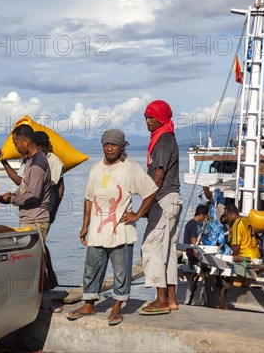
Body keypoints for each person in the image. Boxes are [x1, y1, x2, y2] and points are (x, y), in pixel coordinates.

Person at [66, 129, 158, 326]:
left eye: (114, 145)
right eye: (106, 144)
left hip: (121, 231)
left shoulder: (131, 168)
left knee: (121, 271)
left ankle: (117, 306)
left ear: (122, 146)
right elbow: (89, 198)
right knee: (91, 269)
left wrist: (138, 214)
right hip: (97, 231)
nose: (109, 148)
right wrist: (85, 225)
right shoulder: (95, 168)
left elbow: (150, 191)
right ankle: (89, 303)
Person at [139, 100, 183, 315]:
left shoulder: (164, 140)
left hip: (164, 200)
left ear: (162, 118)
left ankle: (161, 300)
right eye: (146, 117)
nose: (147, 121)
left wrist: (143, 207)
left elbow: (158, 174)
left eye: (151, 117)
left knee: (152, 247)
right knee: (168, 251)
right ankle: (172, 300)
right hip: (170, 200)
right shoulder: (165, 138)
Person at [0, 124, 54, 284]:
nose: (15, 147)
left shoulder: (36, 165)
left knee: (34, 264)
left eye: (16, 143)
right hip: (30, 218)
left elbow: (33, 196)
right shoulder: (30, 160)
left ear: (26, 141)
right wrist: (13, 194)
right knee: (31, 262)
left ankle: (40, 302)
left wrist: (11, 200)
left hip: (35, 220)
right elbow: (25, 186)